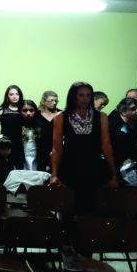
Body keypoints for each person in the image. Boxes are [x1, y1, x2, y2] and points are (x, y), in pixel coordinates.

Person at [51, 82, 119, 213]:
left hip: (94, 166)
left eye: (88, 95)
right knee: (70, 208)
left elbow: (106, 145)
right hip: (70, 167)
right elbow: (57, 148)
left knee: (93, 207)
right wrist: (54, 174)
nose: (85, 99)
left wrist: (113, 173)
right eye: (81, 95)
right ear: (73, 96)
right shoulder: (61, 117)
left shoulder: (101, 116)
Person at [109, 97, 137, 177]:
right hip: (119, 164)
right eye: (133, 109)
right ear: (123, 112)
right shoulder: (112, 125)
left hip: (136, 160)